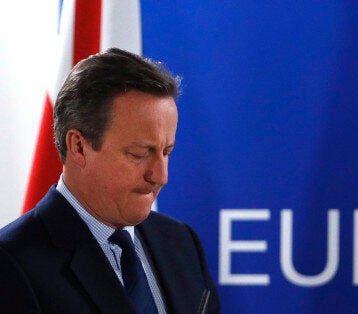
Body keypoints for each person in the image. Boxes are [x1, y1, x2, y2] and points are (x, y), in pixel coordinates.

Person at [0, 48, 220, 313]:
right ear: (79, 147)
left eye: (166, 152)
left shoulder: (181, 242)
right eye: (138, 153)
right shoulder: (11, 264)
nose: (160, 176)